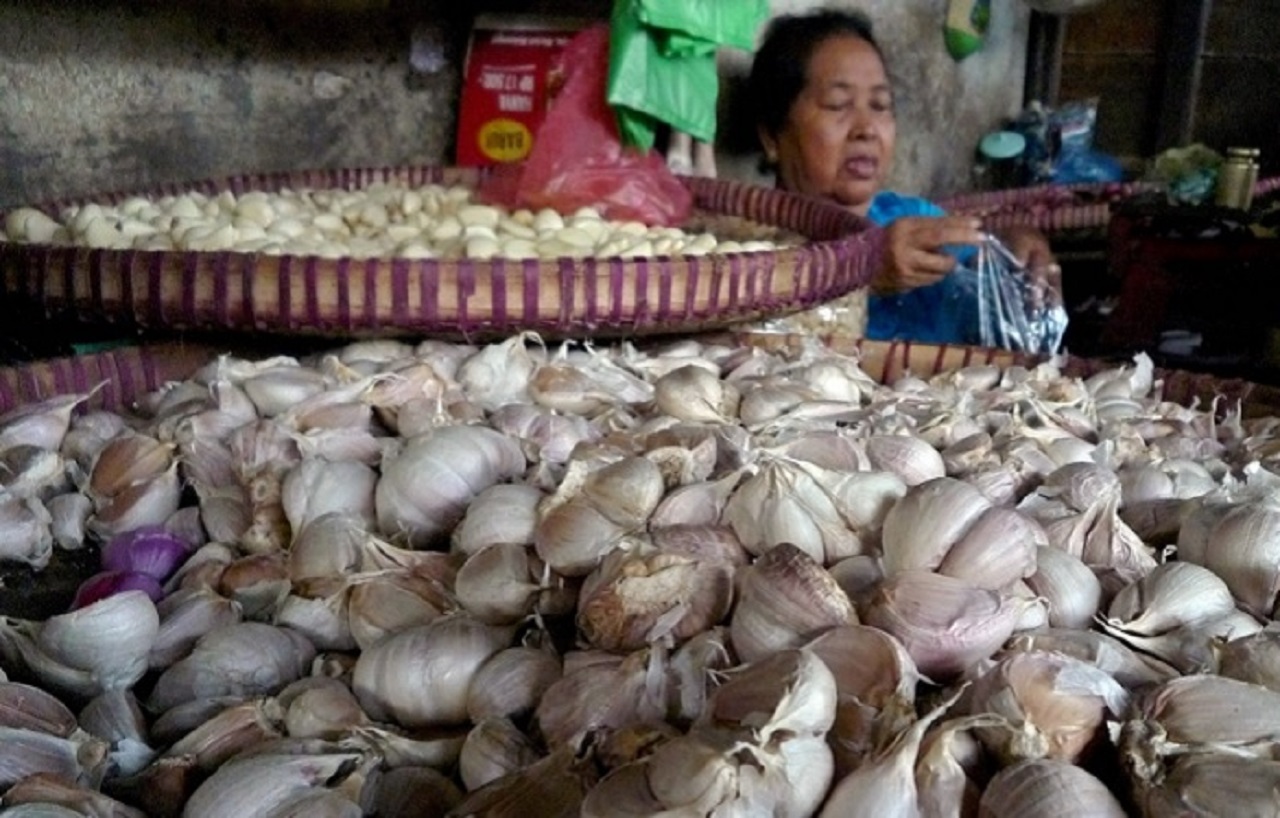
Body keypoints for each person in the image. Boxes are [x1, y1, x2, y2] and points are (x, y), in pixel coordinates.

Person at [747, 8, 1061, 344]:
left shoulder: (910, 220)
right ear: (771, 137)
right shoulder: (745, 250)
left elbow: (984, 258)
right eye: (838, 104)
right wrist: (856, 274)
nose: (867, 129)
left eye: (880, 106)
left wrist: (1019, 249)